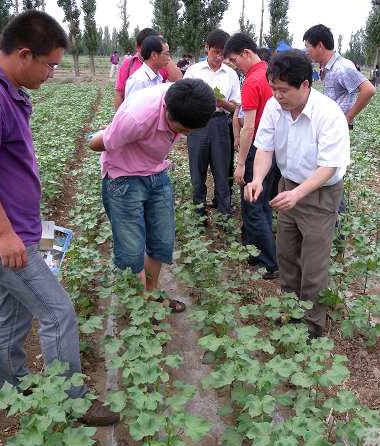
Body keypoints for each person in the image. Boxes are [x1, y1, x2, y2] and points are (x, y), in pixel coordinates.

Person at [0, 10, 119, 426]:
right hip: (3, 238)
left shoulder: (4, 90)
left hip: (19, 229)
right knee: (57, 312)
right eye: (50, 64)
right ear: (25, 54)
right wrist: (4, 233)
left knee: (12, 312)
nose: (51, 73)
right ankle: (71, 401)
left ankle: (14, 385)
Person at [246, 50, 350, 339]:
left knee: (314, 263)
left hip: (320, 193)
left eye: (284, 90)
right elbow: (265, 148)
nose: (277, 96)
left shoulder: (328, 114)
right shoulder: (273, 107)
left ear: (305, 85)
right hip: (288, 186)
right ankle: (290, 309)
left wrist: (299, 194)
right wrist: (257, 178)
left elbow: (329, 166)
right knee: (287, 255)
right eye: (274, 89)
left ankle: (312, 324)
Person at [88, 80, 216, 311]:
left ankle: (151, 293)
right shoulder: (137, 116)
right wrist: (95, 136)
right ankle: (141, 310)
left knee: (162, 241)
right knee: (131, 249)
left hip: (156, 173)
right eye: (181, 129)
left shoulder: (187, 100)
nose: (185, 134)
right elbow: (99, 144)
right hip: (123, 178)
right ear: (166, 109)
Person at [224, 33, 279, 279]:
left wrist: (240, 163)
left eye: (235, 61)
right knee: (264, 202)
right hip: (274, 150)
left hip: (258, 149)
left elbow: (248, 127)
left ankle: (267, 262)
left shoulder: (252, 81)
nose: (235, 66)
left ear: (247, 53)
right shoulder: (271, 73)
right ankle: (256, 252)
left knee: (253, 204)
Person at [184, 29, 241, 218]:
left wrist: (221, 102)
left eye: (223, 53)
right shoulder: (193, 71)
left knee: (222, 170)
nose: (218, 56)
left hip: (220, 124)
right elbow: (183, 99)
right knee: (197, 170)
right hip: (197, 124)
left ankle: (224, 213)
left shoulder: (231, 74)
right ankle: (199, 214)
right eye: (215, 51)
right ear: (206, 48)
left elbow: (236, 109)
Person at [303, 24, 376, 131]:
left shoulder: (342, 67)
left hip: (336, 128)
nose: (306, 51)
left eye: (307, 46)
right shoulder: (326, 67)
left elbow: (369, 90)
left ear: (319, 45)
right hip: (326, 125)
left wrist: (348, 117)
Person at [114, 28, 182, 110]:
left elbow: (178, 80)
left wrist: (163, 51)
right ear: (138, 47)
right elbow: (121, 95)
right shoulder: (134, 73)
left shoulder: (160, 69)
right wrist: (118, 120)